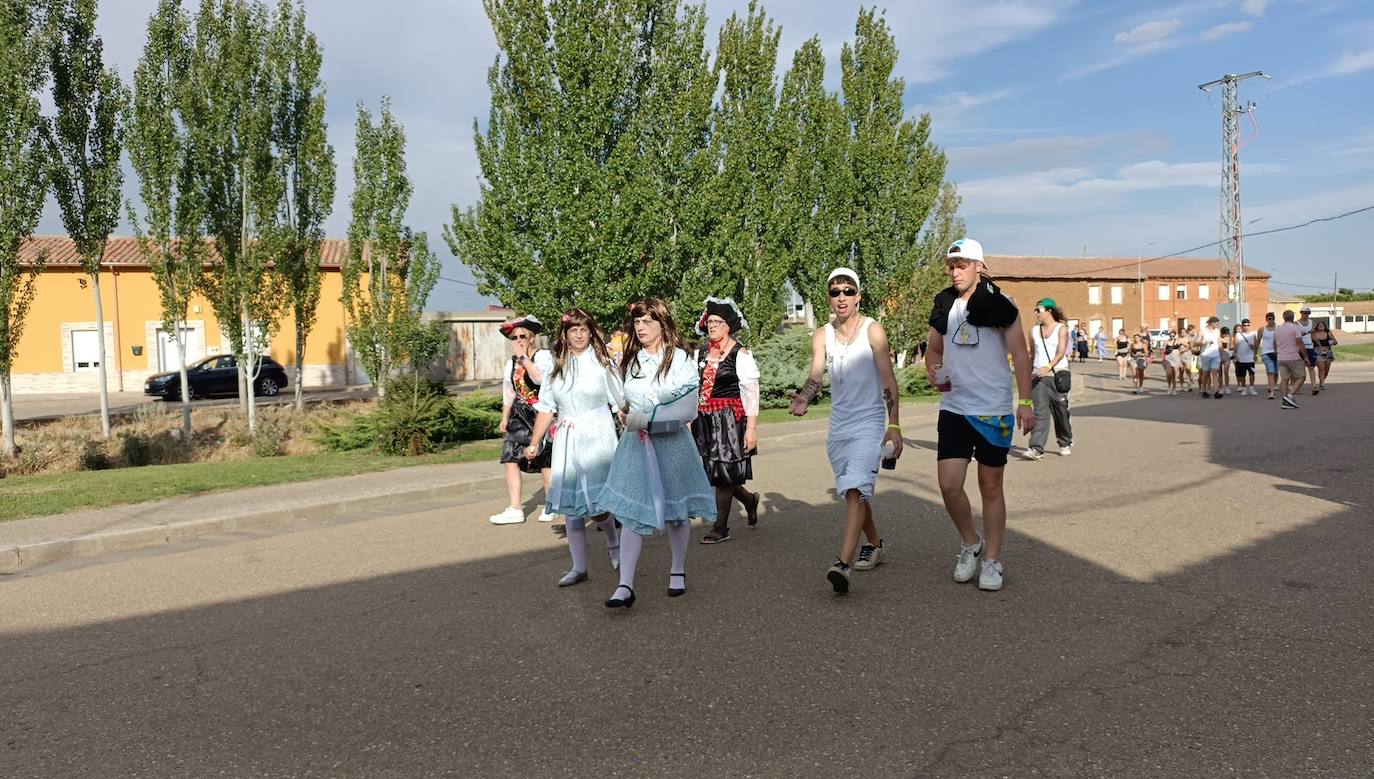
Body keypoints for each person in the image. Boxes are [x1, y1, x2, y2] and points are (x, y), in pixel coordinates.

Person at [925, 238, 1035, 593]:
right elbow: (933, 348)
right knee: (949, 484)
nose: (955, 271)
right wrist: (934, 368)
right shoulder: (944, 303)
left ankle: (992, 561)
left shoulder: (1000, 304)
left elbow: (1020, 354)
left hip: (993, 410)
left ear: (979, 267)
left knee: (990, 487)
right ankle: (972, 543)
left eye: (963, 264)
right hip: (955, 407)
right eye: (952, 265)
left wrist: (1027, 402)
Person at [790, 266, 904, 594]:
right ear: (829, 297)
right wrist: (804, 398)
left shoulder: (873, 331)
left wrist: (893, 425)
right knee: (856, 492)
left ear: (858, 297)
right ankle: (875, 544)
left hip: (869, 424)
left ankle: (842, 564)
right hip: (838, 428)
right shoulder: (822, 334)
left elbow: (888, 381)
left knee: (855, 489)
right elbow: (815, 376)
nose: (842, 297)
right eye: (835, 292)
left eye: (848, 291)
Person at [598, 298, 715, 608]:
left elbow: (687, 409)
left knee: (677, 512)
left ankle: (677, 569)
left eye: (648, 321)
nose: (641, 327)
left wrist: (643, 418)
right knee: (631, 512)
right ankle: (625, 585)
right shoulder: (632, 360)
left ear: (663, 325)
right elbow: (624, 399)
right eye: (637, 322)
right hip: (636, 446)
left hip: (673, 446)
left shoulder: (680, 359)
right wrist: (623, 412)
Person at [524, 309, 623, 586]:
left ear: (591, 333)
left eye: (584, 330)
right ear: (565, 335)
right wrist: (534, 442)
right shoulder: (556, 367)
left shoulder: (603, 363)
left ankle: (613, 541)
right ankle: (579, 566)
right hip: (567, 438)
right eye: (573, 330)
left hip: (598, 436)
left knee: (597, 504)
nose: (579, 335)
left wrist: (631, 420)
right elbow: (546, 408)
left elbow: (620, 402)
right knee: (572, 506)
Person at [691, 297, 762, 545]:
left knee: (723, 472)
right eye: (709, 321)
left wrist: (750, 430)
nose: (712, 326)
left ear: (728, 325)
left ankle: (720, 527)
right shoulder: (700, 353)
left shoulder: (739, 353)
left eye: (717, 322)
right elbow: (693, 388)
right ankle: (749, 499)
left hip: (730, 421)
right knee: (717, 472)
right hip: (705, 420)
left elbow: (751, 392)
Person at [490, 315, 556, 525]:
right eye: (514, 337)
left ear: (532, 338)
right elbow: (508, 391)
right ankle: (515, 508)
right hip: (519, 413)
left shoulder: (543, 356)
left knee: (545, 460)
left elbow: (540, 379)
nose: (518, 340)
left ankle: (552, 503)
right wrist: (505, 416)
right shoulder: (510, 363)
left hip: (540, 412)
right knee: (509, 457)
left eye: (522, 336)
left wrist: (525, 359)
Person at [1022, 298, 1073, 460]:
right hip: (1038, 376)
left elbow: (1061, 352)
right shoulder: (1033, 331)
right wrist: (1026, 372)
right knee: (1040, 413)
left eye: (1039, 310)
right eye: (1035, 310)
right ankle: (1036, 448)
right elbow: (1032, 354)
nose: (1036, 313)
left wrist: (1048, 367)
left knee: (1061, 411)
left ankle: (1064, 441)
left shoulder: (1061, 328)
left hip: (1057, 374)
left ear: (1049, 311)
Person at [1274, 309, 1311, 409]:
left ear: (1283, 317)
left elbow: (1274, 343)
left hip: (1281, 357)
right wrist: (1305, 356)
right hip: (1293, 357)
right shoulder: (1295, 328)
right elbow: (1299, 343)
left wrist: (1276, 352)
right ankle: (1290, 395)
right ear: (1293, 318)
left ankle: (1284, 400)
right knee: (1301, 376)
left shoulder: (1278, 329)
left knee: (1284, 379)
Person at [1198, 316, 1222, 399]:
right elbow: (1197, 342)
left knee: (1214, 373)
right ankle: (1204, 390)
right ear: (1211, 323)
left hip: (1215, 354)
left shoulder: (1217, 331)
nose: (1218, 325)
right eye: (1217, 323)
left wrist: (1221, 353)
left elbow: (1219, 342)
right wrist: (1205, 342)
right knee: (1205, 373)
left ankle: (1216, 392)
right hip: (1205, 354)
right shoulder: (1202, 331)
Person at [1233, 319, 1258, 396]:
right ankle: (1244, 388)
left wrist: (1254, 350)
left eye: (1248, 325)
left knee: (1252, 374)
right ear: (1242, 326)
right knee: (1242, 375)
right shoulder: (1238, 335)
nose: (1246, 327)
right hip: (1241, 358)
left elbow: (1256, 345)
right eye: (1244, 325)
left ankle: (1251, 387)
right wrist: (1235, 355)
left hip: (1250, 358)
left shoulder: (1253, 334)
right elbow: (1236, 345)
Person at [1297, 306, 1319, 394]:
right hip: (1300, 347)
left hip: (1309, 346)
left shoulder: (1312, 322)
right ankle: (1296, 387)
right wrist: (1307, 332)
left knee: (1311, 367)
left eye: (1308, 313)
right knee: (1300, 368)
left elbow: (1314, 335)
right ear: (1301, 313)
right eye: (1305, 313)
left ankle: (1314, 385)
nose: (1307, 315)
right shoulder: (1296, 323)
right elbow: (1296, 336)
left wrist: (1318, 345)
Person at [1311, 321, 1337, 391]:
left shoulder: (1328, 333)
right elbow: (1312, 340)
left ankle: (1321, 381)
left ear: (1325, 326)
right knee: (1321, 368)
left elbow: (1335, 342)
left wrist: (1332, 342)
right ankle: (1322, 384)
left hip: (1328, 352)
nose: (1321, 326)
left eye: (1322, 325)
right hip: (1317, 352)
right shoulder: (1314, 333)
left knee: (1326, 369)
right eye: (1319, 325)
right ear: (1317, 326)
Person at [1258, 311, 1279, 399]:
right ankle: (1272, 393)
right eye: (1270, 319)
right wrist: (1255, 352)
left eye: (1273, 318)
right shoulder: (1262, 329)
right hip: (1266, 352)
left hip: (1277, 352)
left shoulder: (1278, 328)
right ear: (1266, 319)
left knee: (1276, 372)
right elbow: (1258, 340)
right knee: (1271, 372)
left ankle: (1272, 385)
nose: (1271, 320)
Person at [1163, 331, 1183, 395]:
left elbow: (1187, 345)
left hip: (1176, 359)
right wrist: (1163, 359)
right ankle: (1169, 387)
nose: (1172, 337)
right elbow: (1163, 351)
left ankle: (1174, 389)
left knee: (1174, 375)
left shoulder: (1178, 341)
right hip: (1168, 359)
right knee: (1168, 374)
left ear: (1175, 335)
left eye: (1173, 336)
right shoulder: (1166, 342)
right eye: (1170, 336)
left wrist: (1181, 350)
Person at [1218, 326, 1234, 396]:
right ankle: (1221, 387)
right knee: (1220, 373)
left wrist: (1230, 340)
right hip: (1218, 355)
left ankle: (1227, 387)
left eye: (1227, 333)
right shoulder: (1219, 339)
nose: (1225, 334)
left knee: (1226, 372)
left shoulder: (1229, 338)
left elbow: (1230, 347)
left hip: (1226, 356)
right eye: (1224, 333)